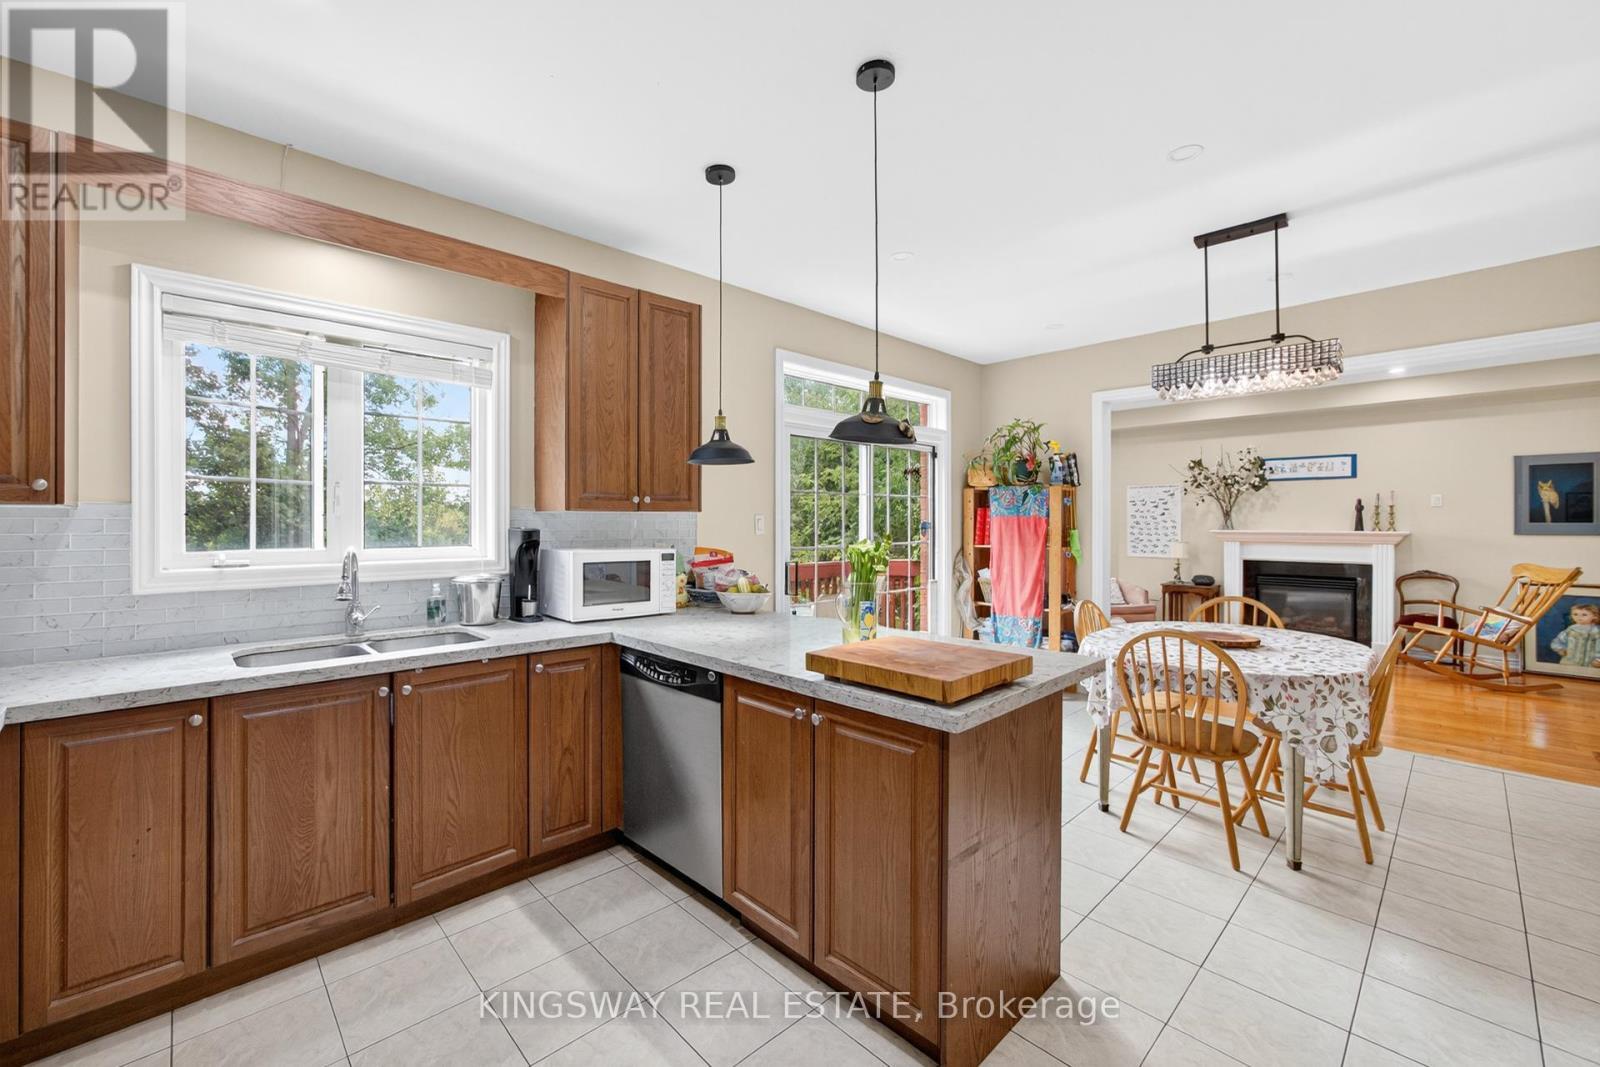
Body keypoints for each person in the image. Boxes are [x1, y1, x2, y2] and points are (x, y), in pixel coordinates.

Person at [1550, 602, 1600, 667]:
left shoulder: (1596, 632)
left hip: (1589, 663)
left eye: (1584, 615)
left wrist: (1598, 659)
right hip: (1570, 662)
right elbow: (1557, 641)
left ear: (1594, 616)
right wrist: (1560, 649)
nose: (1579, 617)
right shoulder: (1570, 630)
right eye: (1575, 614)